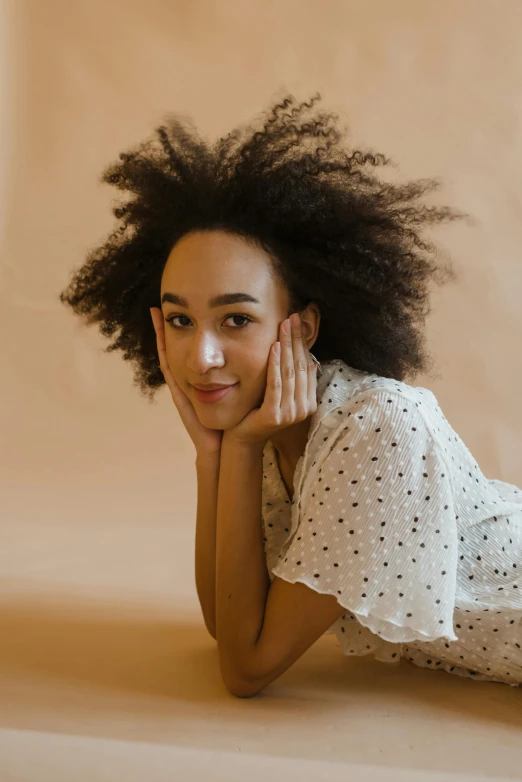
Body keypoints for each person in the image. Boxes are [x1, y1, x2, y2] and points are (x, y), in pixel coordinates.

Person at [59, 93, 522, 694]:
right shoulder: (269, 429)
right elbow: (229, 630)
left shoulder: (375, 426)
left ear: (301, 328)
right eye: (179, 321)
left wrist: (237, 449)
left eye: (235, 320)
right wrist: (216, 455)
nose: (201, 357)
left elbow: (247, 669)